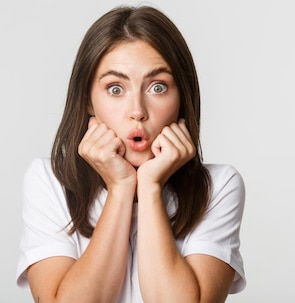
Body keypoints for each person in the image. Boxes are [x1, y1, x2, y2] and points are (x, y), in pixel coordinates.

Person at [15, 5, 246, 302]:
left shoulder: (218, 186)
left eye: (158, 87)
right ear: (88, 101)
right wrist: (121, 188)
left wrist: (150, 187)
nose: (137, 111)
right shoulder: (48, 181)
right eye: (115, 89)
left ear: (181, 98)